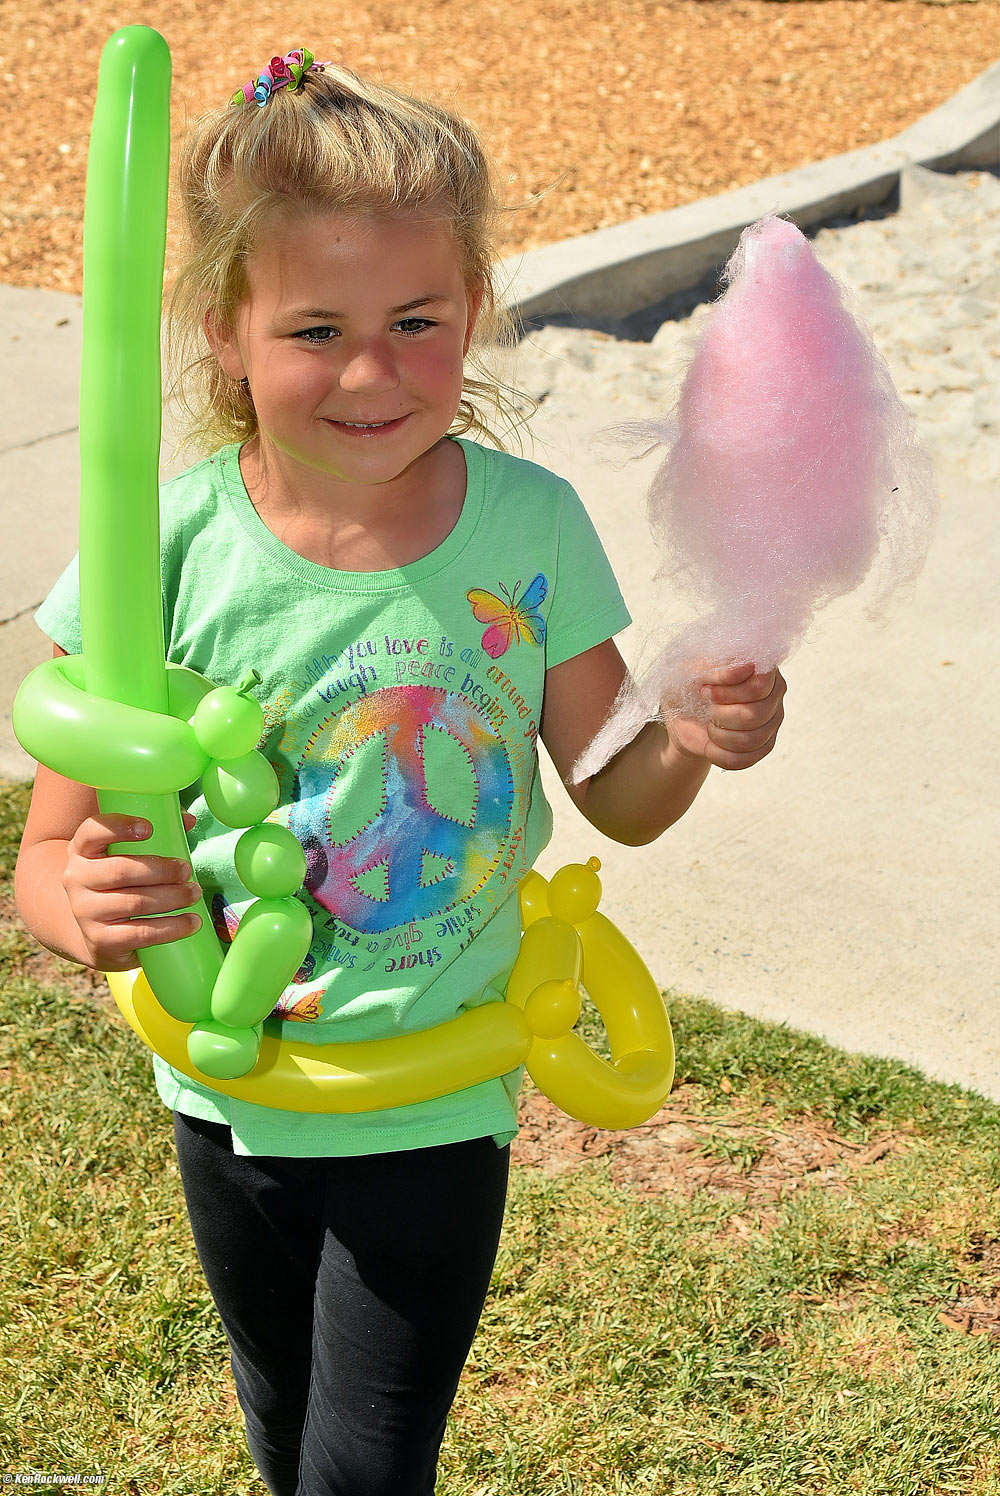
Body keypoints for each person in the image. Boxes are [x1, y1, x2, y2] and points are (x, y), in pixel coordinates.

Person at [14, 47, 787, 1496]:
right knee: (277, 1400)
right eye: (317, 327)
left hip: (431, 1102)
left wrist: (689, 734)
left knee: (367, 1465)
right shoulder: (166, 550)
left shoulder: (532, 530)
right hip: (227, 1089)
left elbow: (618, 793)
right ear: (223, 331)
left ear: (475, 313)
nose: (373, 372)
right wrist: (80, 909)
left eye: (418, 321)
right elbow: (46, 855)